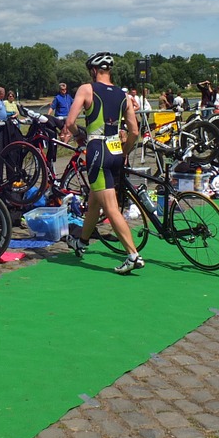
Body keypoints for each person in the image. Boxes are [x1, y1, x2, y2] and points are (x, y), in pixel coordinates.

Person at [63, 52, 143, 274]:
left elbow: (70, 122)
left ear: (93, 71)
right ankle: (82, 241)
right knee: (95, 199)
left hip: (97, 149)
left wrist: (79, 135)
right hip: (116, 149)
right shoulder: (123, 95)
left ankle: (132, 254)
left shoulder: (86, 89)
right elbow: (134, 131)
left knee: (109, 206)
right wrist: (125, 151)